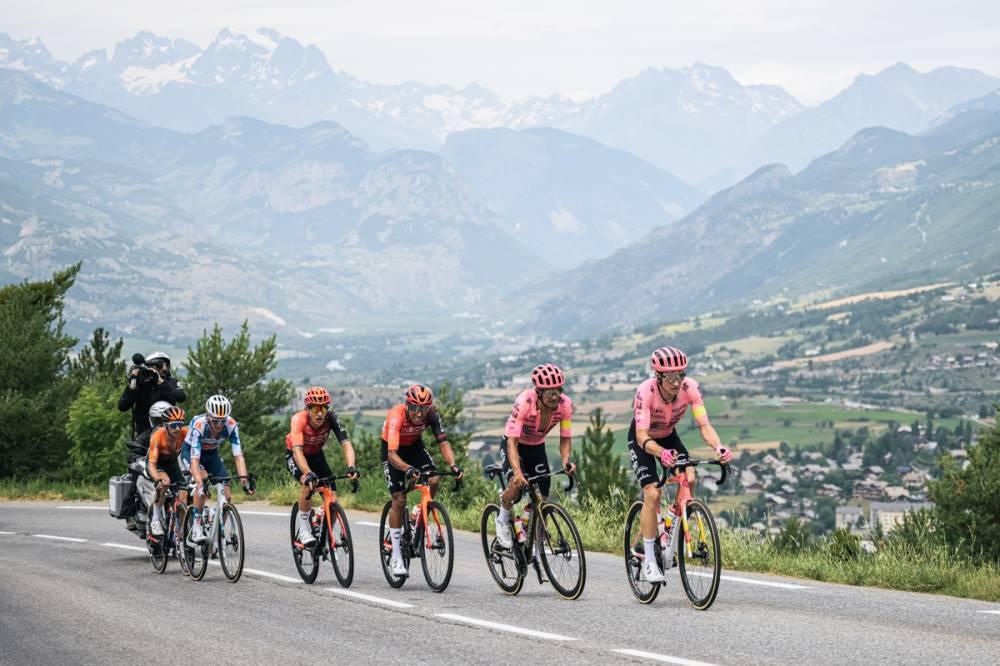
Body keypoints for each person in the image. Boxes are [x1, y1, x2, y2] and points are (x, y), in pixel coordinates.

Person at [627, 346, 732, 583]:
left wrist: (718, 447)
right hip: (644, 440)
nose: (676, 382)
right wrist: (661, 453)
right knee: (653, 494)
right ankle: (650, 561)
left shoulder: (690, 388)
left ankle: (668, 525)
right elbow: (642, 436)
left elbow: (704, 425)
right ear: (658, 377)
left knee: (690, 479)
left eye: (680, 376)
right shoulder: (646, 391)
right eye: (670, 377)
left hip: (668, 436)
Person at [381, 384, 463, 577]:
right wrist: (407, 468)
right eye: (415, 408)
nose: (419, 413)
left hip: (414, 446)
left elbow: (443, 442)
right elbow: (392, 454)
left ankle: (419, 511)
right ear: (407, 405)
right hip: (393, 451)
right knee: (399, 500)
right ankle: (396, 555)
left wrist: (453, 465)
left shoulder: (431, 415)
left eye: (423, 409)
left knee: (433, 480)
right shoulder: (396, 416)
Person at [494, 363, 575, 549]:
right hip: (514, 445)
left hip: (536, 447)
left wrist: (566, 461)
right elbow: (512, 443)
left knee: (542, 495)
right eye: (550, 392)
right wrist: (517, 472)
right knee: (516, 485)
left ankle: (525, 524)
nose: (555, 396)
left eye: (559, 390)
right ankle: (502, 519)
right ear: (539, 392)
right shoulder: (525, 402)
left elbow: (565, 438)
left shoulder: (565, 405)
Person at [285, 387, 359, 547]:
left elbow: (346, 445)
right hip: (296, 456)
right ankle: (304, 530)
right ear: (307, 409)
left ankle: (325, 535)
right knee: (308, 483)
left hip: (317, 456)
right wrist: (308, 472)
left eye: (323, 409)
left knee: (332, 498)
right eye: (315, 409)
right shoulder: (299, 419)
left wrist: (351, 467)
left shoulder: (331, 418)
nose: (320, 413)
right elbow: (297, 452)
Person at [182, 394, 253, 543]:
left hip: (212, 455)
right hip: (191, 453)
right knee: (203, 479)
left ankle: (217, 530)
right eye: (215, 421)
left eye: (222, 421)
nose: (219, 425)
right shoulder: (199, 425)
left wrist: (245, 481)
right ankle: (196, 528)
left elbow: (238, 456)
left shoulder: (231, 425)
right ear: (208, 417)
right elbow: (195, 459)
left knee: (227, 496)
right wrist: (199, 482)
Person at [118, 351, 186, 439]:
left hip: (169, 434)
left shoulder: (171, 382)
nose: (164, 369)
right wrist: (132, 386)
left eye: (166, 365)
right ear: (148, 367)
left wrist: (160, 381)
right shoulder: (141, 384)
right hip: (144, 434)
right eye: (160, 365)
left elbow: (181, 397)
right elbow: (122, 406)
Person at [146, 405, 190, 537]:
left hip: (172, 463)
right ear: (165, 425)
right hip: (156, 463)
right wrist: (157, 480)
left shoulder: (186, 433)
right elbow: (152, 464)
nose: (177, 429)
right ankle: (155, 520)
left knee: (183, 493)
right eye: (173, 425)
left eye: (180, 425)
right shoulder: (158, 436)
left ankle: (180, 532)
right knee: (165, 482)